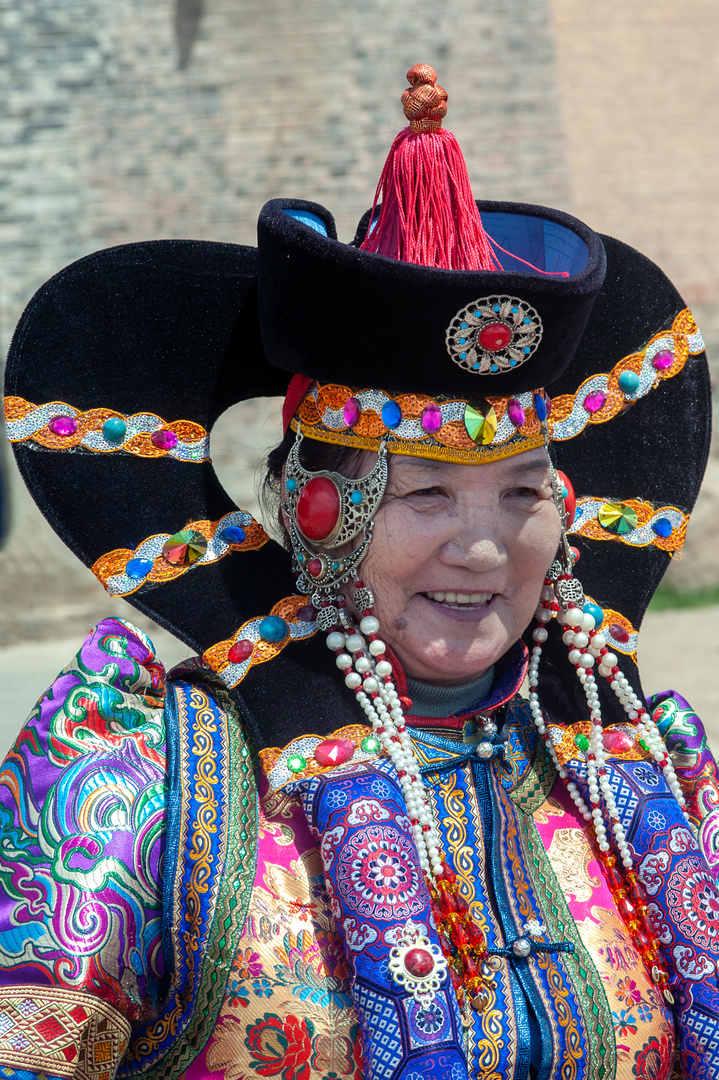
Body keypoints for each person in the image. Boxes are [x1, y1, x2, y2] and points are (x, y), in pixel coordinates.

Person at [2, 63, 719, 1080]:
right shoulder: (145, 789)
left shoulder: (644, 777)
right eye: (425, 496)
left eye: (521, 494)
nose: (482, 547)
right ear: (313, 512)